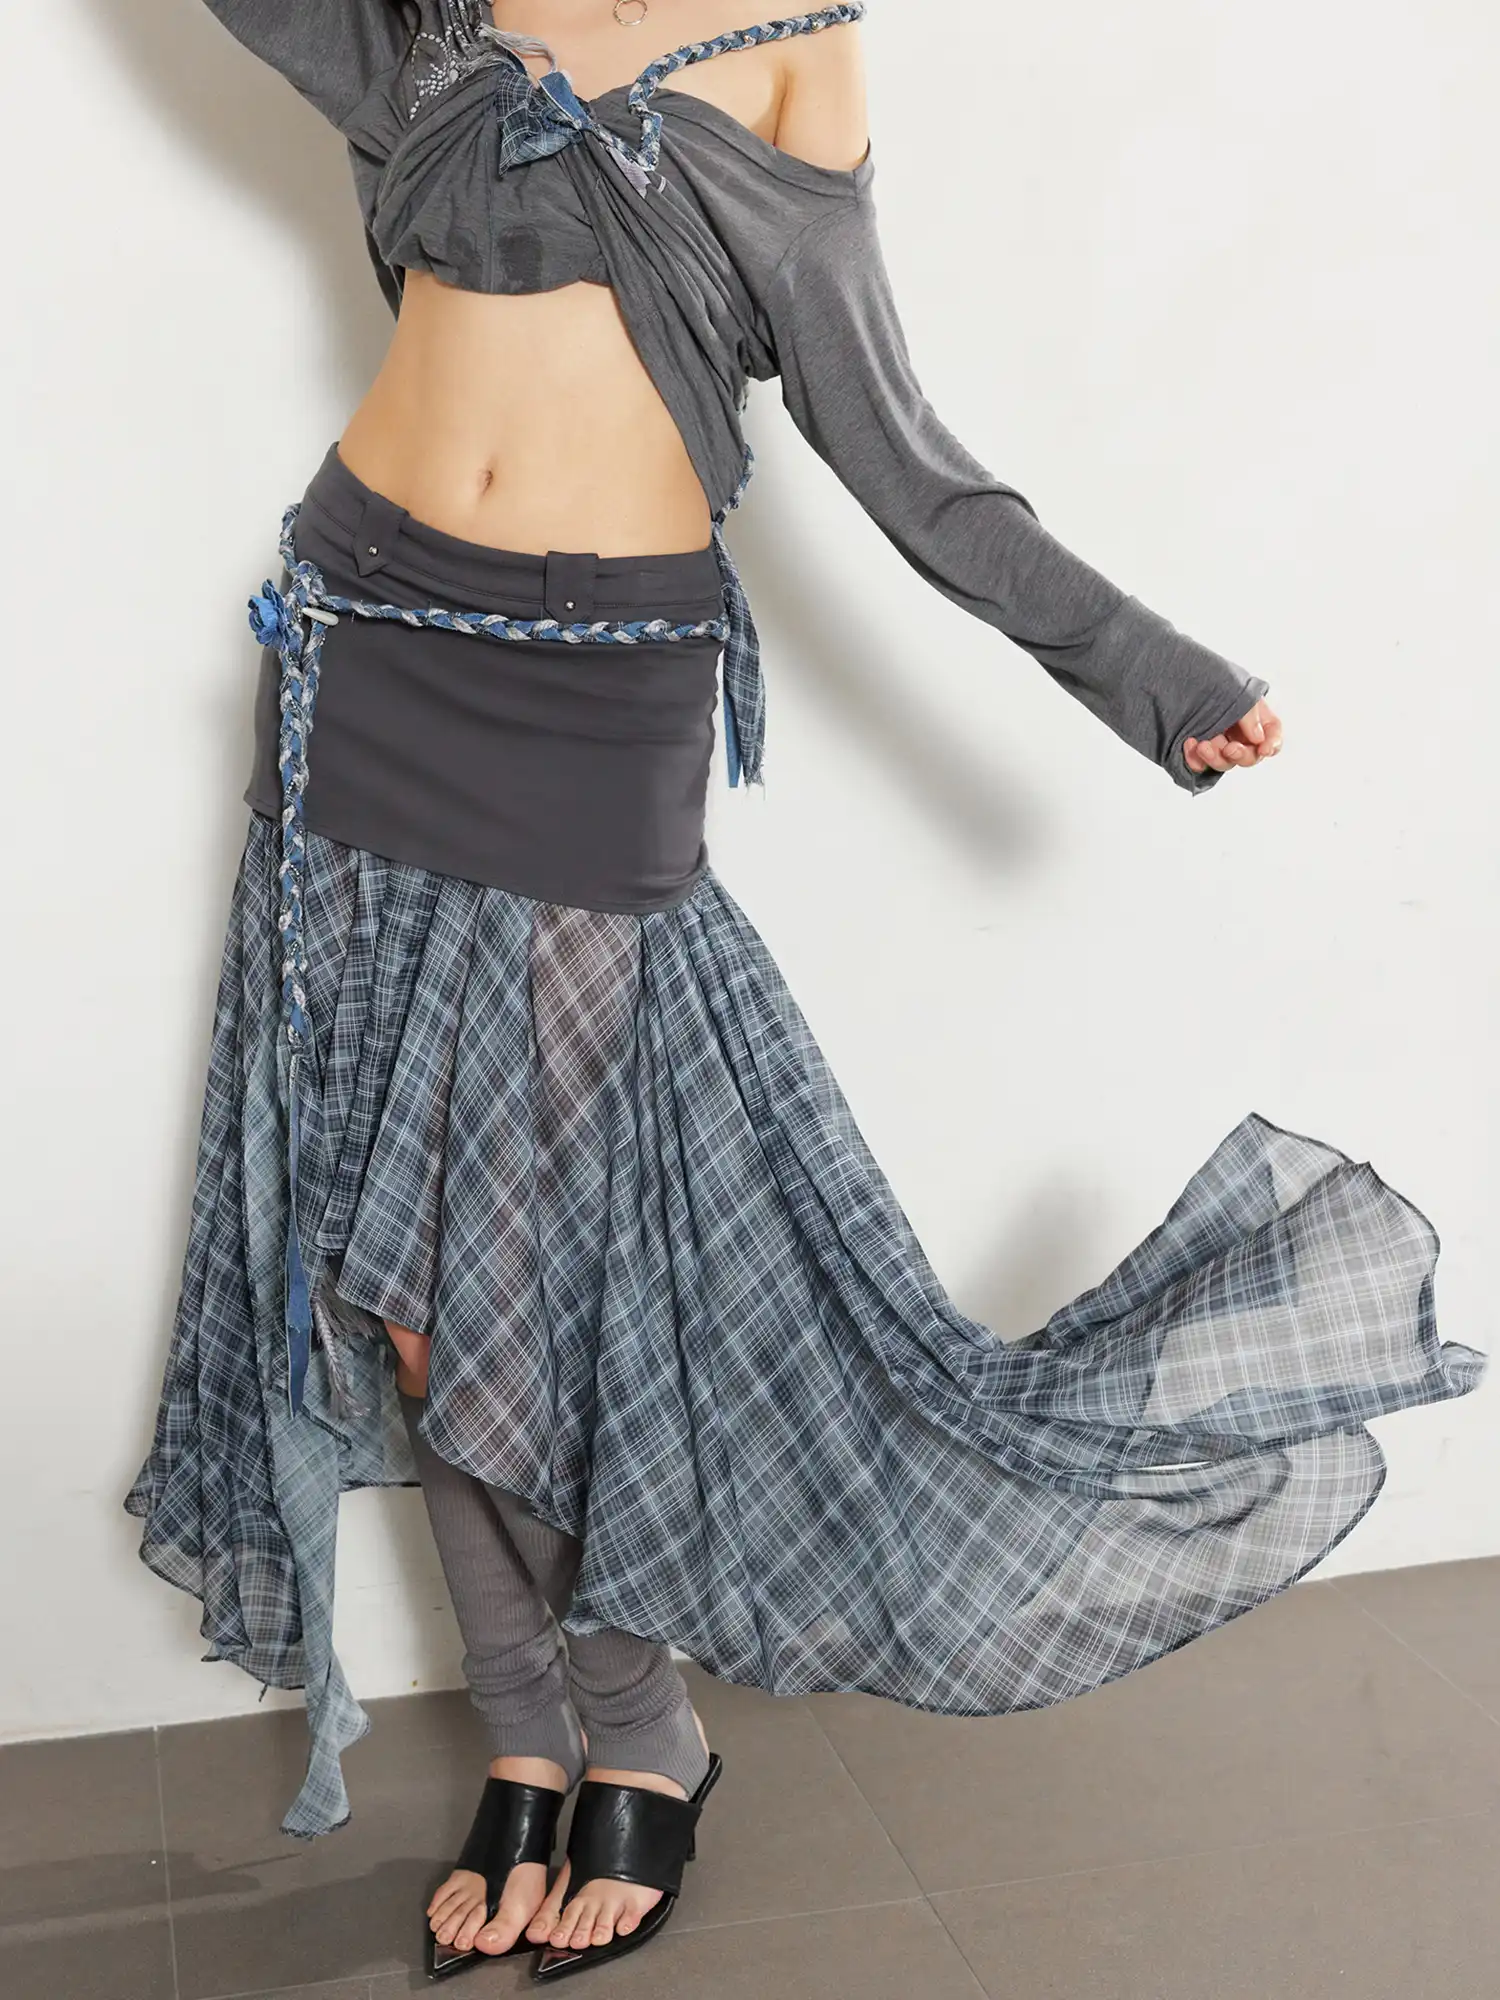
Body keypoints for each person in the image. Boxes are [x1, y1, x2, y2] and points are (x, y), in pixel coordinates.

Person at [125, 1, 1485, 1986]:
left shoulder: (793, 42)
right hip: (363, 641)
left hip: (597, 691)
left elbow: (897, 448)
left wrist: (1149, 671)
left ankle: (646, 1738)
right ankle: (526, 1733)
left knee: (537, 1289)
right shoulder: (441, 14)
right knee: (400, 1296)